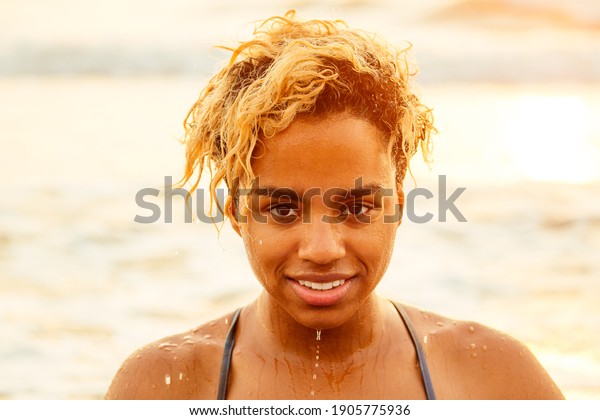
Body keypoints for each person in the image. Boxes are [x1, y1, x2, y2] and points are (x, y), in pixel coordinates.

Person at [105, 11, 563, 400]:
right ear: (238, 215)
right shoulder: (164, 385)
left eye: (357, 207)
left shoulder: (491, 378)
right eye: (283, 210)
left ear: (398, 207)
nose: (322, 250)